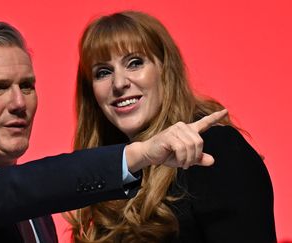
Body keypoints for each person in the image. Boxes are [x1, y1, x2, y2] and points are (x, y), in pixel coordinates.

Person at [0, 21, 227, 243]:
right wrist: (136, 154)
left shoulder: (34, 209)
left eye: (27, 85)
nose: (19, 103)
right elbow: (12, 190)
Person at [67, 11, 276, 243]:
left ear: (165, 69)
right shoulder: (104, 172)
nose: (119, 83)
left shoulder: (214, 150)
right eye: (103, 72)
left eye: (135, 63)